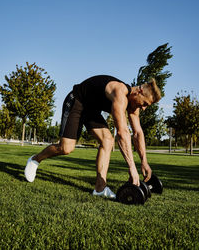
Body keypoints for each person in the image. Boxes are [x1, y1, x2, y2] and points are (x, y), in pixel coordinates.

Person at [24, 75, 161, 199]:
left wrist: (144, 161)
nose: (143, 108)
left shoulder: (134, 107)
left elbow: (137, 133)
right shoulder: (119, 93)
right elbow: (122, 132)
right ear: (140, 91)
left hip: (91, 110)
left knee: (107, 140)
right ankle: (35, 159)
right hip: (77, 101)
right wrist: (131, 167)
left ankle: (100, 188)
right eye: (145, 104)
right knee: (65, 148)